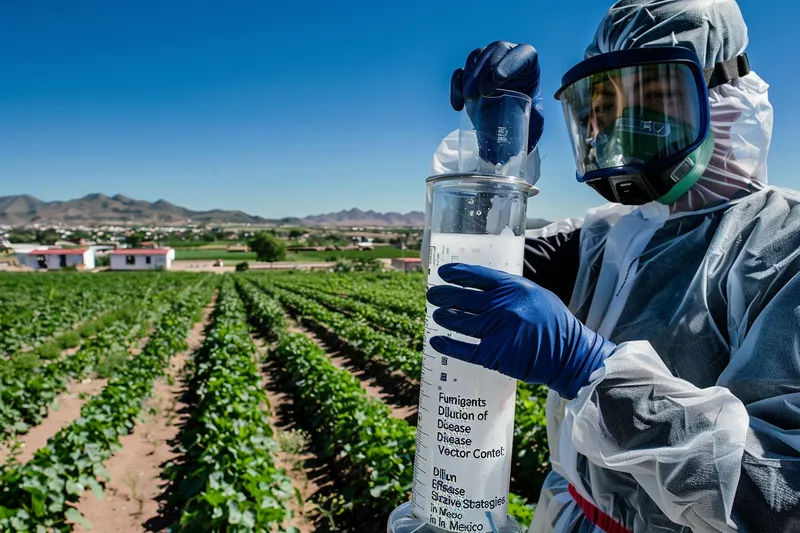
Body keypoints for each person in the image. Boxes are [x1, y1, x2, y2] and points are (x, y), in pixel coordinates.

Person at [427, 1, 800, 531]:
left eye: (654, 96)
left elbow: (782, 496)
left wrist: (591, 372)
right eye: (603, 104)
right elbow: (459, 274)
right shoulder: (605, 234)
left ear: (724, 99)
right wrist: (499, 159)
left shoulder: (786, 246)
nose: (619, 126)